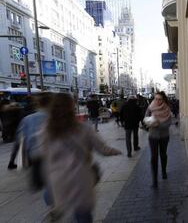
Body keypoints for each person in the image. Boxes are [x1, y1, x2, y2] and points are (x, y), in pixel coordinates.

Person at [40, 93, 121, 222]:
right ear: (72, 108)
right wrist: (116, 151)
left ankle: (58, 213)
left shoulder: (46, 131)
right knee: (83, 216)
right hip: (80, 179)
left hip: (59, 180)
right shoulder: (83, 129)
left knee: (66, 212)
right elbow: (102, 149)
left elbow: (45, 157)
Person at [8, 93, 52, 171]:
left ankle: (12, 162)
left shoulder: (27, 117)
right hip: (53, 157)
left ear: (37, 103)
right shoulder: (56, 118)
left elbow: (20, 138)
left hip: (35, 155)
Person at [145, 91, 172, 188]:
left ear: (163, 99)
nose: (157, 101)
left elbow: (168, 123)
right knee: (154, 157)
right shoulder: (150, 107)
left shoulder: (167, 109)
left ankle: (164, 171)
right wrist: (149, 122)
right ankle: (154, 180)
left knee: (163, 154)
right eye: (156, 99)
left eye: (160, 99)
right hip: (153, 136)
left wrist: (158, 124)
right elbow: (145, 118)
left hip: (164, 136)